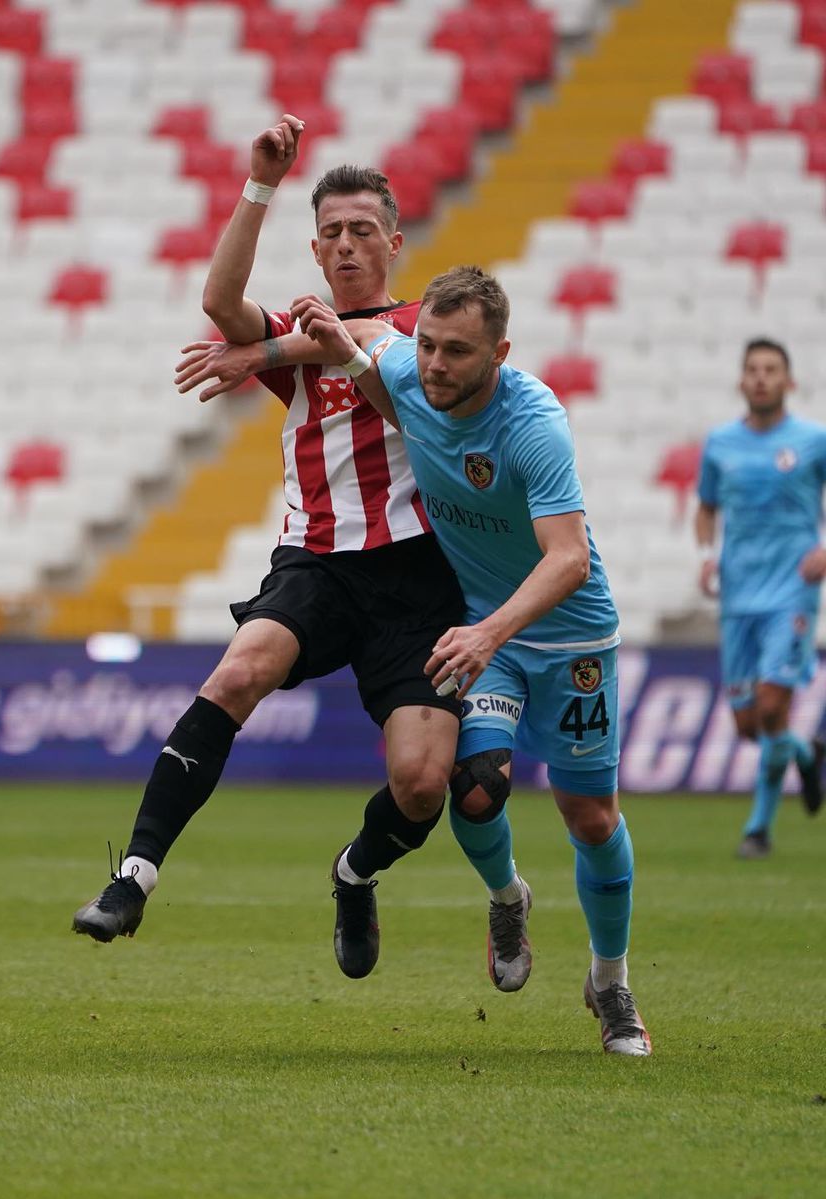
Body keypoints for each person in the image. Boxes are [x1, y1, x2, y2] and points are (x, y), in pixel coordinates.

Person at [73, 120, 533, 993]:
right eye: (332, 232)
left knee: (425, 783)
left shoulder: (420, 332)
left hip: (420, 579)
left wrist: (265, 351)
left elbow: (365, 364)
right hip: (316, 563)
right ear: (315, 248)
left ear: (394, 243)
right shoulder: (302, 323)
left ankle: (354, 873)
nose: (349, 243)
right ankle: (132, 877)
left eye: (365, 229)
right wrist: (258, 184)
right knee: (239, 672)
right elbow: (220, 303)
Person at [175, 265, 651, 1056]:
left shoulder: (533, 420)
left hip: (567, 636)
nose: (433, 364)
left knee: (590, 818)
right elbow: (370, 340)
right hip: (481, 633)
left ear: (501, 352)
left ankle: (609, 981)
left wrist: (492, 630)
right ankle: (507, 897)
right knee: (471, 791)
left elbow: (568, 559)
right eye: (425, 344)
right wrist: (280, 354)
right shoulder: (409, 367)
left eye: (456, 353)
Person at [695, 337, 826, 860]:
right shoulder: (720, 443)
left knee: (773, 704)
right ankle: (805, 752)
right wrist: (706, 553)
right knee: (750, 725)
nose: (762, 378)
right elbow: (705, 508)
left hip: (792, 590)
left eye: (772, 369)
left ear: (788, 381)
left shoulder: (812, 440)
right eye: (753, 369)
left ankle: (758, 830)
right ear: (742, 380)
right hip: (738, 593)